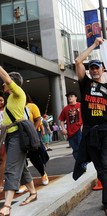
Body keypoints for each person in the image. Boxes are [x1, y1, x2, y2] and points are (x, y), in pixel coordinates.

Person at [73, 37, 107, 216]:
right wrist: (95, 45)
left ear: (103, 70)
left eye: (97, 67)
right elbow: (78, 61)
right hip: (90, 134)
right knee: (101, 170)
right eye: (92, 68)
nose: (94, 70)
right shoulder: (85, 84)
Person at [0, 68, 37, 216]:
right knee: (21, 168)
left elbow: (7, 79)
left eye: (5, 83)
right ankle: (33, 193)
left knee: (11, 169)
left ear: (12, 84)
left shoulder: (19, 93)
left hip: (17, 135)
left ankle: (7, 206)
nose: (3, 85)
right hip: (10, 135)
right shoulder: (11, 98)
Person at [59, 91, 82, 161]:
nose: (69, 98)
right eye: (68, 97)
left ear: (76, 97)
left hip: (79, 130)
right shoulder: (65, 109)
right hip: (70, 132)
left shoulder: (81, 105)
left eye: (71, 96)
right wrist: (63, 129)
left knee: (81, 147)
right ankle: (80, 164)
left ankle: (82, 164)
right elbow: (61, 119)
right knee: (75, 149)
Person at [0, 92, 6, 193]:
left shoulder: (6, 111)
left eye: (1, 100)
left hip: (5, 138)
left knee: (2, 160)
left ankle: (1, 183)